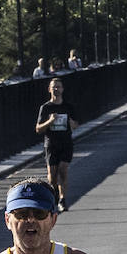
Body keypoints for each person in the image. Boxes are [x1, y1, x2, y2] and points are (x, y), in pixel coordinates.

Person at [35, 76, 79, 212]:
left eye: (58, 87)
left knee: (63, 170)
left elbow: (76, 124)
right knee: (52, 176)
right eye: (54, 87)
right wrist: (50, 122)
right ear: (49, 89)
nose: (56, 89)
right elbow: (38, 129)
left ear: (62, 89)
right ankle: (53, 194)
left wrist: (72, 124)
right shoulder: (45, 108)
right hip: (51, 144)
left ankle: (62, 199)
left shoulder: (68, 107)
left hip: (65, 142)